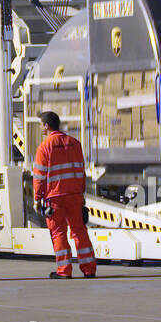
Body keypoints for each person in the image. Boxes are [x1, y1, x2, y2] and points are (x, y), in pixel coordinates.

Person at [32, 111, 96, 279]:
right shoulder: (75, 143)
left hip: (55, 198)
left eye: (40, 125)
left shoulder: (45, 147)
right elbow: (81, 171)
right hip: (74, 195)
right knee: (79, 231)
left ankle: (64, 270)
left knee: (58, 232)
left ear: (46, 126)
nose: (40, 128)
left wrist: (37, 198)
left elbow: (39, 176)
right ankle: (89, 269)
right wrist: (81, 194)